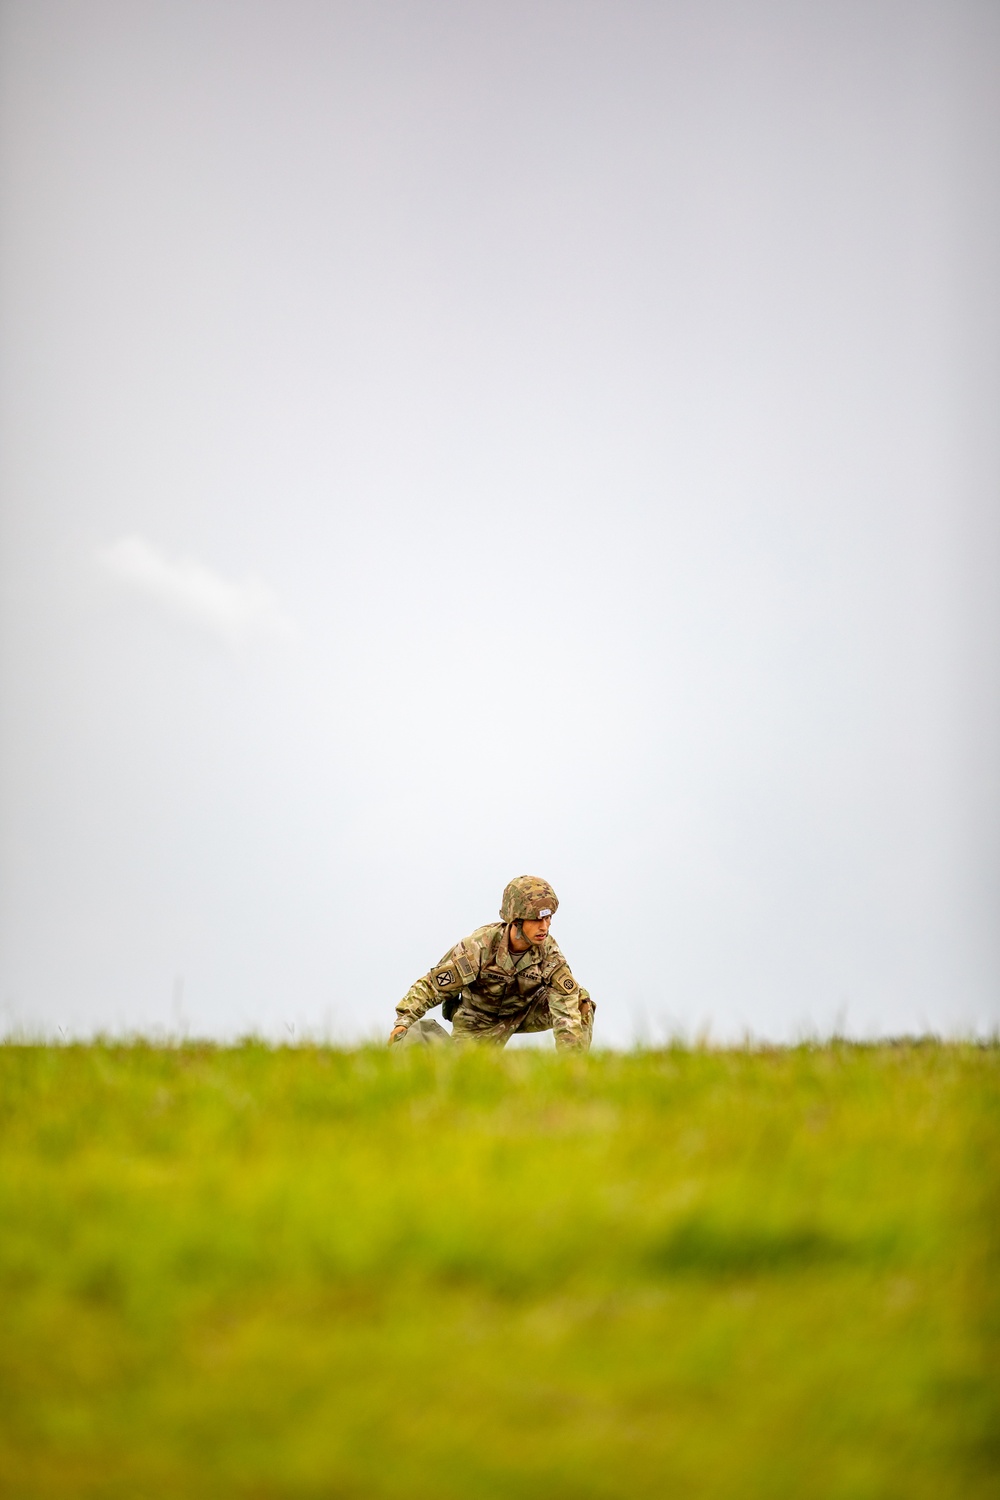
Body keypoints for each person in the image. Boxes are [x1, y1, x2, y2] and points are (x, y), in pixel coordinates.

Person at [389, 876, 594, 1051]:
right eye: (536, 920)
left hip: (523, 1012)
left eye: (548, 918)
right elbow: (432, 987)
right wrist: (403, 1022)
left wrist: (571, 1067)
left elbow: (566, 1012)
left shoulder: (550, 954)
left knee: (579, 1000)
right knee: (460, 1069)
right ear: (516, 920)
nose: (544, 927)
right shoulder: (479, 947)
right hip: (477, 1019)